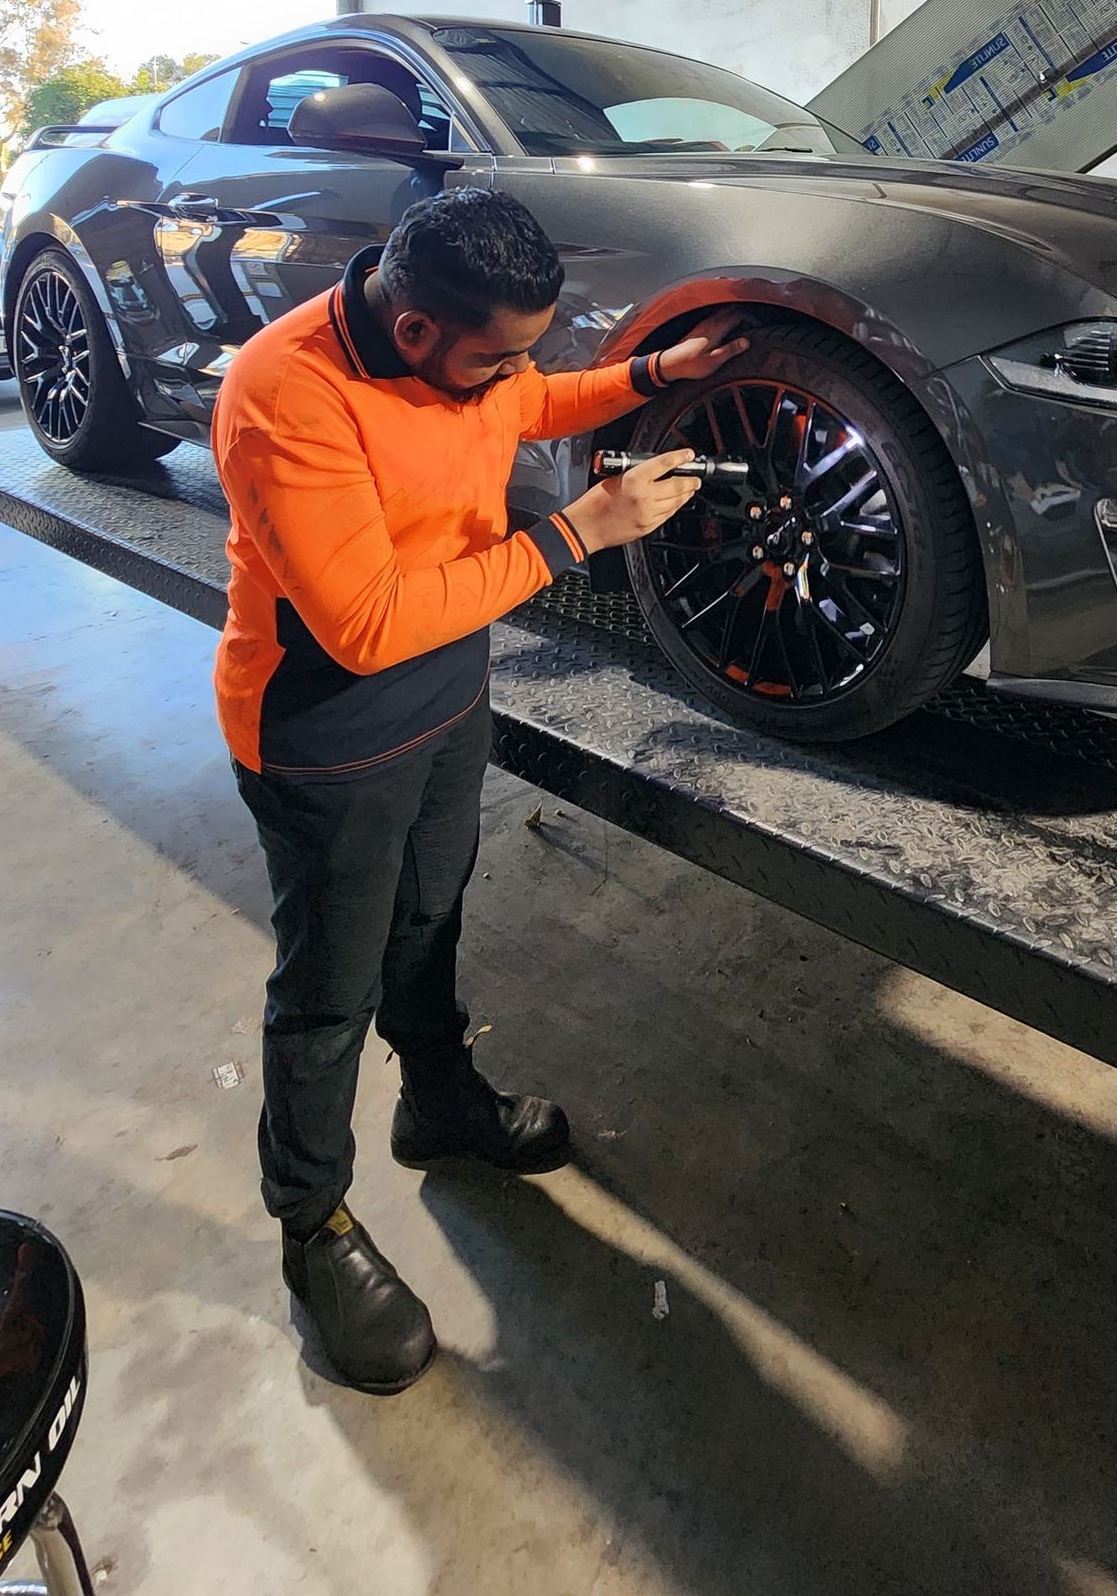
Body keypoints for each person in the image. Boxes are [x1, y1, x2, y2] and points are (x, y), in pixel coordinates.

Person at [211, 186, 746, 1392]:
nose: (520, 372)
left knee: (430, 916)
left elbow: (533, 397)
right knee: (326, 988)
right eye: (499, 352)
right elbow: (361, 624)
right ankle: (313, 1226)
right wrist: (578, 534)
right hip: (326, 726)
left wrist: (656, 367)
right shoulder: (284, 394)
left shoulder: (466, 350)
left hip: (449, 689)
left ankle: (439, 1101)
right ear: (414, 331)